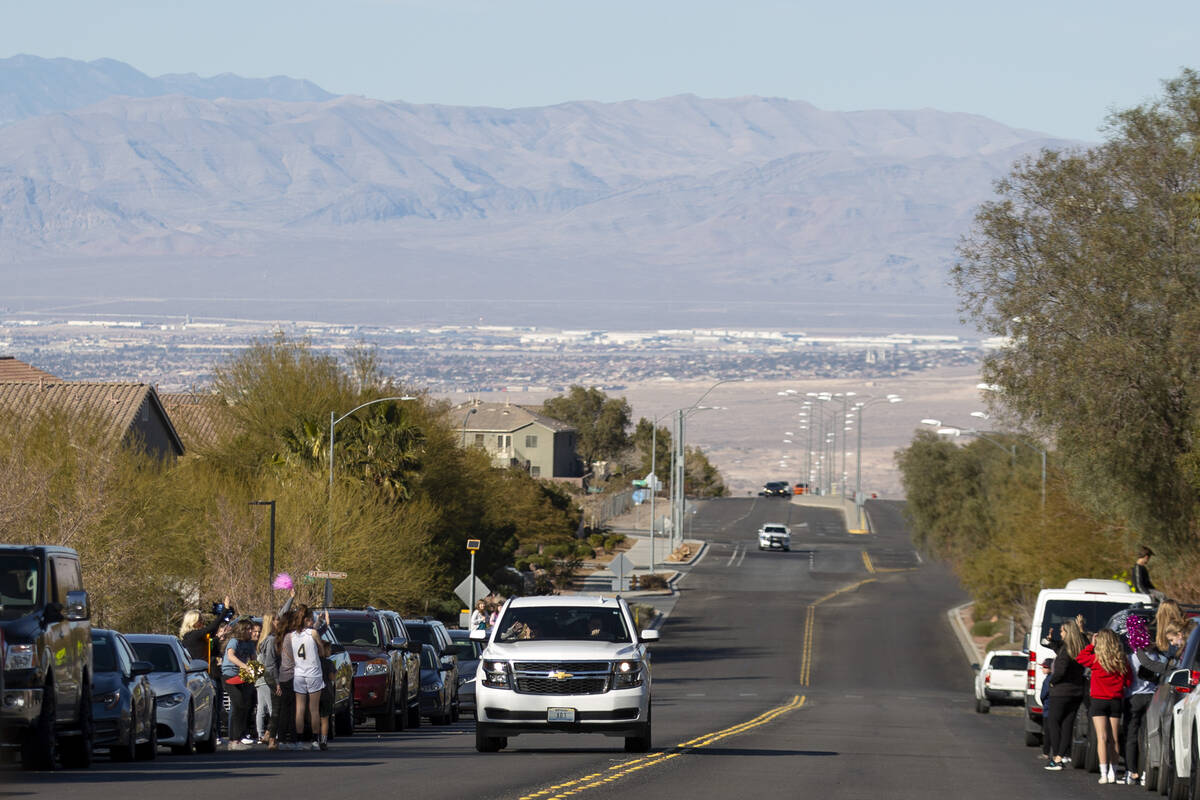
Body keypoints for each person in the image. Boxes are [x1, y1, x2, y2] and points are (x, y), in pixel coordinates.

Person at [1076, 628, 1133, 784]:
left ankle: (1103, 773)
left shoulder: (1096, 660)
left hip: (1098, 701)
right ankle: (1113, 772)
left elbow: (1080, 658)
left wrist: (1091, 645)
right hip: (1115, 701)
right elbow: (1129, 681)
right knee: (1114, 738)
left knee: (1102, 737)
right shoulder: (1122, 660)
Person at [1123, 614, 1162, 786]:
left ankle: (1131, 772)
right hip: (1152, 697)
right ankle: (1147, 771)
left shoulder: (1131, 655)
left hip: (1133, 697)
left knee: (1131, 736)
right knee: (1149, 736)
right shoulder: (1153, 654)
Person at [1044, 620, 1087, 771]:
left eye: (1062, 631)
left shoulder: (1066, 651)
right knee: (1067, 724)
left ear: (1068, 633)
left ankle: (1056, 756)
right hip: (1076, 692)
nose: (1060, 634)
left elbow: (1061, 670)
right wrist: (1050, 641)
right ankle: (1061, 755)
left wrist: (1052, 682)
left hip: (1061, 692)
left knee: (1053, 723)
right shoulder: (1079, 649)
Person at [287, 605, 330, 751]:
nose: (312, 622)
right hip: (313, 673)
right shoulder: (313, 633)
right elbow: (322, 651)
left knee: (300, 708)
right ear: (306, 620)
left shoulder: (292, 635)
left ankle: (299, 740)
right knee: (314, 709)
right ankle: (314, 739)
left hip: (299, 673)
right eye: (310, 619)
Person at [221, 619, 258, 749]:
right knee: (238, 704)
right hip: (230, 675)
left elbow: (254, 659)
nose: (251, 632)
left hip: (243, 676)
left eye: (251, 629)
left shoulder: (250, 644)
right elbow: (231, 656)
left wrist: (256, 671)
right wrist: (244, 666)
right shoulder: (234, 641)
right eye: (248, 629)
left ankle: (237, 738)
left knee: (244, 706)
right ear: (242, 630)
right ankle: (233, 740)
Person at [275, 609, 300, 751]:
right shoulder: (292, 637)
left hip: (283, 676)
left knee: (285, 709)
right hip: (293, 675)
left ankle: (283, 738)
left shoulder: (281, 637)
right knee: (294, 710)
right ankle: (292, 738)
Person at [255, 612, 277, 746]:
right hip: (266, 678)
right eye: (276, 620)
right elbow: (270, 662)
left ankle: (261, 733)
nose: (278, 623)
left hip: (260, 678)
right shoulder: (269, 640)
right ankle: (271, 733)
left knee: (261, 708)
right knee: (271, 707)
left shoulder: (262, 640)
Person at [1038, 658, 1054, 759]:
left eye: (1045, 667)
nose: (1043, 669)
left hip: (1048, 710)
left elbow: (1043, 695)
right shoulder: (1053, 678)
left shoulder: (1048, 680)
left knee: (1047, 732)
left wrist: (1044, 702)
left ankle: (1046, 752)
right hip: (1052, 709)